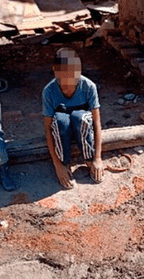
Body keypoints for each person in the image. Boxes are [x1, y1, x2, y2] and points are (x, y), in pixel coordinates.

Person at [42, 48, 103, 188]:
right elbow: (47, 128)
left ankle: (88, 158)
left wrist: (98, 158)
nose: (70, 81)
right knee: (60, 122)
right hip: (62, 126)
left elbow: (97, 122)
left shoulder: (88, 86)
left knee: (79, 117)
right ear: (55, 71)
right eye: (64, 76)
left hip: (82, 125)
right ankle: (65, 162)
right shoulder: (49, 91)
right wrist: (57, 165)